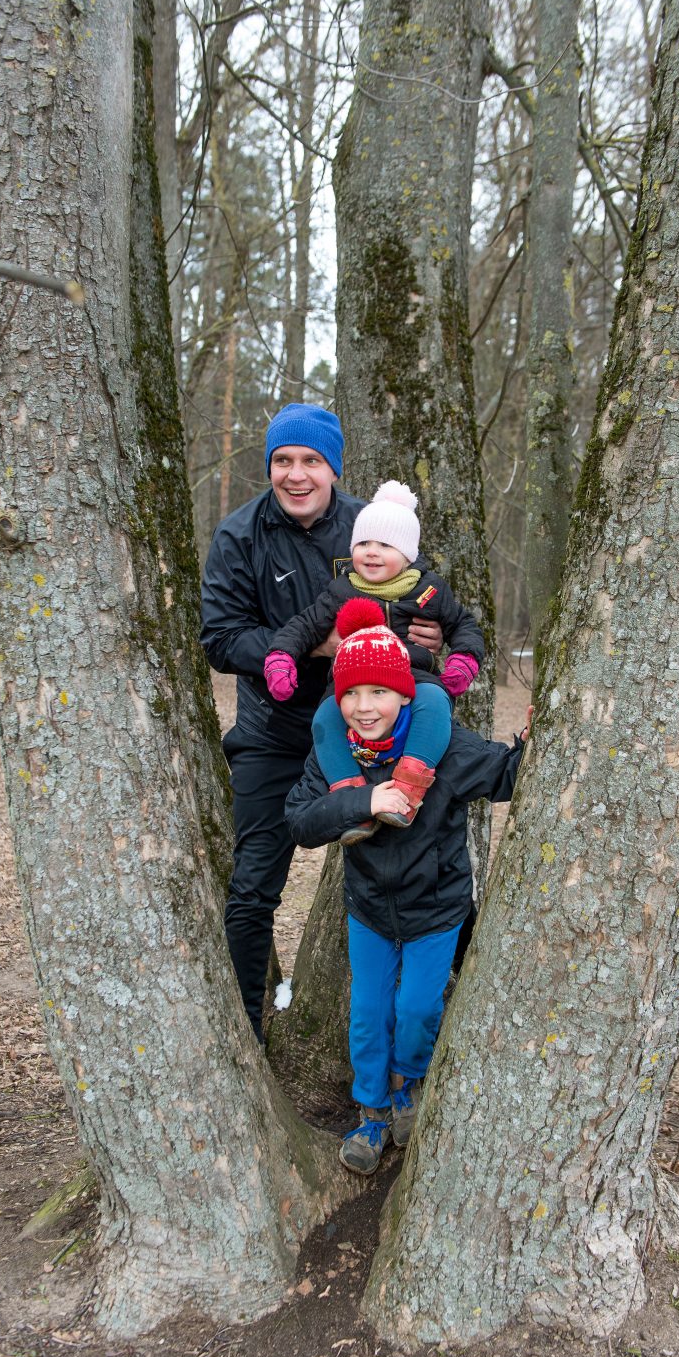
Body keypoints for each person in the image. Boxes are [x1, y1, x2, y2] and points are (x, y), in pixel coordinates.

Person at [200, 403, 441, 1041]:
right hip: (273, 733)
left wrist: (432, 630)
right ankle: (248, 1030)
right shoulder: (239, 536)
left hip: (375, 735)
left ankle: (403, 1044)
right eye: (283, 461)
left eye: (311, 461)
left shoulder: (370, 528)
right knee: (253, 887)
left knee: (417, 883)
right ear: (270, 467)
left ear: (333, 467)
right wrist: (311, 647)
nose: (296, 475)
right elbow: (220, 639)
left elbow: (421, 593)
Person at [285, 600, 532, 1174]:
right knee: (369, 1013)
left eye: (378, 693)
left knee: (418, 1007)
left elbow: (505, 774)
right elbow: (300, 821)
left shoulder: (442, 747)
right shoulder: (334, 754)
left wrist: (531, 740)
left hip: (437, 907)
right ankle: (371, 1115)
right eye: (351, 694)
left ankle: (406, 1085)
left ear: (404, 696)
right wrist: (363, 800)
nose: (364, 707)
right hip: (369, 909)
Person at [262, 481, 485, 842]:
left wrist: (463, 660)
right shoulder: (341, 590)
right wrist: (281, 657)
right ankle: (351, 796)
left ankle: (410, 786)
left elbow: (464, 625)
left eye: (385, 545)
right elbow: (302, 626)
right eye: (363, 543)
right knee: (325, 717)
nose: (372, 552)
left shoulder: (428, 591)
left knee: (434, 701)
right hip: (350, 683)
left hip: (412, 679)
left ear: (408, 553)